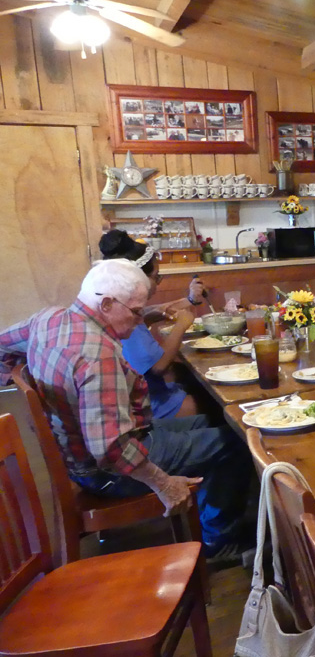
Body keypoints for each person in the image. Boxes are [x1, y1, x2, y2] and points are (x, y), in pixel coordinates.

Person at [0, 259, 252, 559]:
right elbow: (111, 450)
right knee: (236, 441)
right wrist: (164, 483)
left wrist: (25, 383)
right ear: (106, 303)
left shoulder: (48, 318)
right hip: (106, 471)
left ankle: (210, 516)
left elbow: (2, 346)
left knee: (206, 423)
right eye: (135, 313)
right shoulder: (97, 355)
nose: (138, 321)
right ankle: (219, 540)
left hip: (86, 453)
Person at [99, 230, 203, 418]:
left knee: (192, 379)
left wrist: (186, 302)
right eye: (156, 277)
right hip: (151, 407)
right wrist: (181, 325)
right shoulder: (125, 319)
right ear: (137, 279)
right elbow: (159, 367)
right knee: (215, 405)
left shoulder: (114, 306)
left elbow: (151, 312)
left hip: (143, 396)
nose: (158, 283)